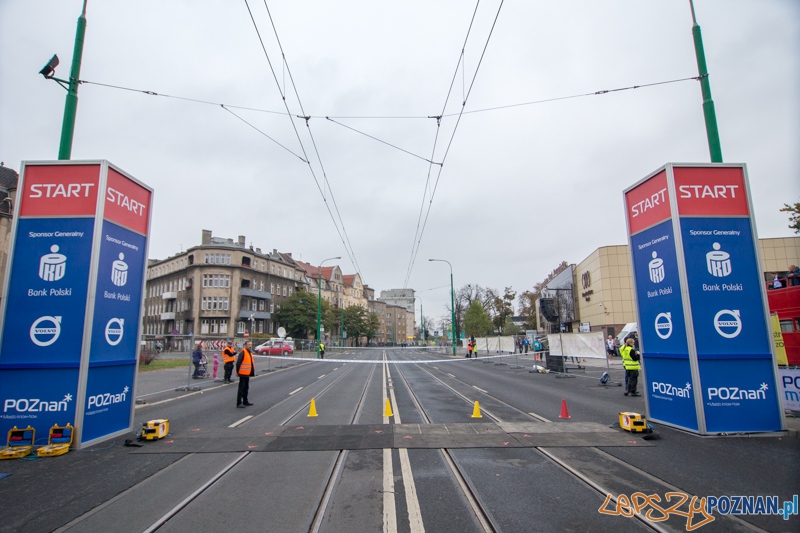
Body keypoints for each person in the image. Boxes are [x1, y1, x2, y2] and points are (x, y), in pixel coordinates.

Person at [236, 340, 255, 408]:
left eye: (251, 344)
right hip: (242, 373)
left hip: (247, 373)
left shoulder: (249, 352)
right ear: (245, 345)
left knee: (246, 388)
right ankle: (239, 402)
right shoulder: (243, 352)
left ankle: (245, 401)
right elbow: (238, 363)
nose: (250, 346)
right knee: (241, 388)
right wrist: (237, 372)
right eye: (249, 344)